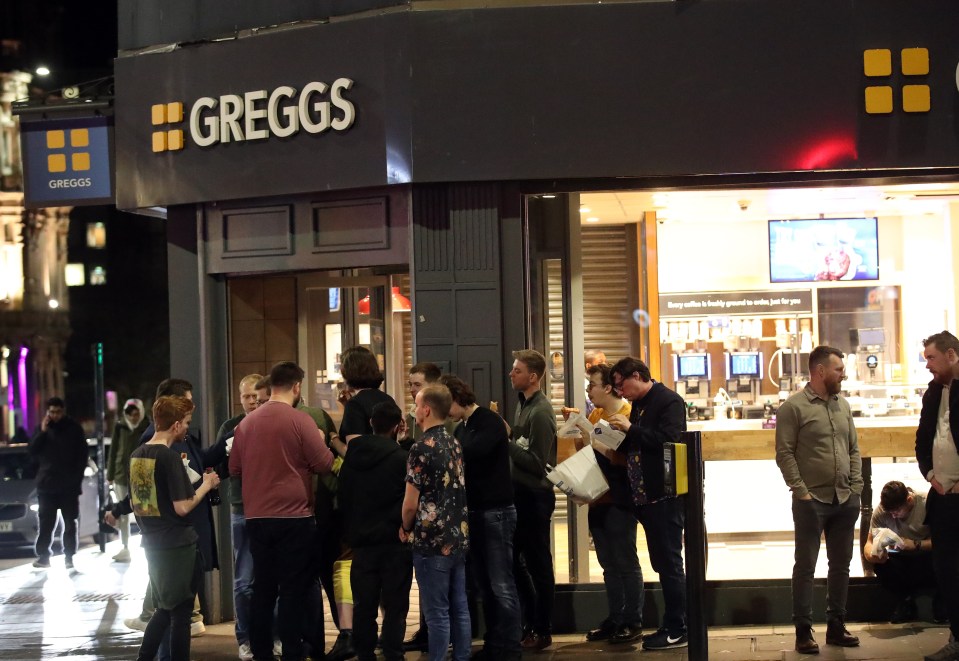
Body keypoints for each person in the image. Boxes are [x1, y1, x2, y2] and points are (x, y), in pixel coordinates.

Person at [230, 361, 334, 661]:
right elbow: (325, 464)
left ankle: (261, 652)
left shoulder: (246, 424)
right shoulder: (300, 421)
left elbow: (235, 467)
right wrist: (322, 441)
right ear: (297, 387)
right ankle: (291, 651)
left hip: (257, 517)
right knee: (292, 589)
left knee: (263, 587)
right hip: (295, 517)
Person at [775, 345, 862, 654]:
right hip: (812, 500)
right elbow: (784, 454)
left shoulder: (843, 405)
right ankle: (803, 630)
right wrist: (801, 491)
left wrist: (856, 487)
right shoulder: (793, 408)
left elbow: (853, 448)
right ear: (821, 371)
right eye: (839, 369)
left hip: (845, 498)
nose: (844, 373)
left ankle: (836, 626)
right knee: (806, 566)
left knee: (841, 566)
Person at [130, 395, 220, 661]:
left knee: (163, 609)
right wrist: (206, 484)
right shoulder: (169, 458)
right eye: (187, 423)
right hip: (178, 546)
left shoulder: (138, 455)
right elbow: (182, 507)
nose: (188, 429)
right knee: (180, 614)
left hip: (153, 544)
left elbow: (141, 506)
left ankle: (144, 658)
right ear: (176, 425)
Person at [608, 357, 688, 651]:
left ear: (639, 376)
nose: (619, 391)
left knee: (669, 564)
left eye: (621, 384)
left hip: (663, 496)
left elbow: (669, 441)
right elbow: (639, 443)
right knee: (661, 562)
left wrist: (630, 428)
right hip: (644, 497)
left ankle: (678, 628)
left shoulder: (668, 401)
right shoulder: (639, 405)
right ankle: (671, 624)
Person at [442, 374, 522, 661]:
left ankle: (510, 646)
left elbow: (469, 453)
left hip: (496, 512)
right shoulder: (462, 427)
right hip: (476, 513)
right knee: (485, 585)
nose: (444, 411)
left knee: (501, 584)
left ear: (457, 397)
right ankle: (494, 643)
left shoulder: (487, 420)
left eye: (446, 403)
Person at [331, 346, 399, 659]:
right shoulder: (389, 401)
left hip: (365, 507)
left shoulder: (356, 406)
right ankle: (393, 647)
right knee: (395, 591)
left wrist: (333, 441)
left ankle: (363, 648)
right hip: (393, 509)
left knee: (365, 592)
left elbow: (357, 453)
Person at [401, 383, 470, 661]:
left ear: (426, 409)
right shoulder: (454, 442)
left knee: (437, 612)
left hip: (431, 541)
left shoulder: (421, 448)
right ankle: (462, 656)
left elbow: (410, 503)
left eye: (417, 405)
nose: (415, 410)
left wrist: (405, 527)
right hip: (458, 537)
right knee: (459, 607)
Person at [338, 400, 412, 661]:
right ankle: (393, 652)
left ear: (371, 423)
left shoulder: (353, 457)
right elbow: (408, 500)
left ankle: (365, 653)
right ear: (396, 426)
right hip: (394, 541)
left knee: (363, 605)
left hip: (362, 542)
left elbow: (343, 496)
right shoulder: (402, 459)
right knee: (395, 605)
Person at [575, 363, 642, 644]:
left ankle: (633, 620)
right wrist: (580, 432)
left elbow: (624, 457)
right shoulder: (596, 414)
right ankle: (615, 618)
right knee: (607, 564)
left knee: (625, 561)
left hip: (620, 499)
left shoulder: (627, 414)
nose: (589, 390)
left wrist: (597, 439)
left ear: (607, 388)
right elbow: (588, 450)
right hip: (596, 497)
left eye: (593, 384)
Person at [507, 349, 557, 651]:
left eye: (517, 370)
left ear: (533, 376)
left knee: (538, 564)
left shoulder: (540, 411)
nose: (512, 374)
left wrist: (506, 441)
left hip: (535, 496)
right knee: (515, 562)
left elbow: (538, 463)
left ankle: (543, 628)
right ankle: (529, 622)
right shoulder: (522, 404)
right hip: (519, 495)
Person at [915, 331, 959, 661]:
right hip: (943, 500)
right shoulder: (933, 393)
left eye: (931, 357)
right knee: (947, 572)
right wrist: (929, 474)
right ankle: (957, 638)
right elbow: (923, 439)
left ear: (952, 355)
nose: (926, 364)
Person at [214, 373, 262, 661]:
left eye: (257, 396)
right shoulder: (230, 428)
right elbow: (218, 465)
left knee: (272, 581)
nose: (253, 401)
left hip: (269, 509)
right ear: (239, 398)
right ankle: (244, 638)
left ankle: (272, 636)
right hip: (241, 509)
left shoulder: (271, 422)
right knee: (244, 581)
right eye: (247, 396)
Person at [863, 481, 938, 624]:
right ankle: (906, 601)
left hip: (926, 556)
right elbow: (869, 542)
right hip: (900, 558)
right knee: (881, 566)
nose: (893, 516)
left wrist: (916, 545)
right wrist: (872, 555)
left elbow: (943, 541)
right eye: (890, 513)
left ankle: (942, 601)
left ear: (909, 500)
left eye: (896, 511)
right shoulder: (882, 511)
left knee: (945, 560)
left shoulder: (926, 503)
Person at [29, 397, 88, 569]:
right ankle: (43, 556)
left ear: (63, 411)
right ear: (47, 412)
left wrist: (76, 480)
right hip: (47, 485)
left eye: (57, 412)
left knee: (70, 523)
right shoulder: (43, 429)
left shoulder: (74, 429)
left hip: (68, 486)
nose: (54, 415)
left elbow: (81, 457)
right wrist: (42, 432)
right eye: (51, 412)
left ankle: (69, 556)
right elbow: (32, 451)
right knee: (46, 523)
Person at [107, 398, 149, 563]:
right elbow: (113, 451)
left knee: (143, 510)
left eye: (136, 414)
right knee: (122, 512)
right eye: (130, 415)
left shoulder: (146, 426)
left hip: (140, 473)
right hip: (121, 475)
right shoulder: (120, 426)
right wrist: (110, 474)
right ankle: (125, 547)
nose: (133, 418)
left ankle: (146, 543)